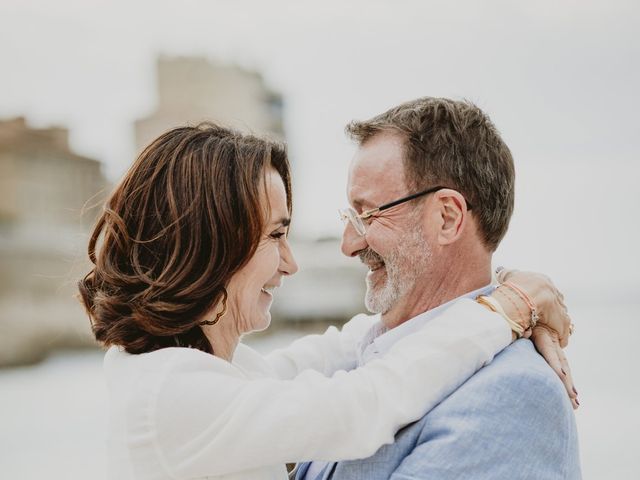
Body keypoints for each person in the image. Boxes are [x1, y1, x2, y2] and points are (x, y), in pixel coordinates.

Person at [78, 123, 572, 480]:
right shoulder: (172, 395)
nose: (293, 263)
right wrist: (505, 307)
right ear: (211, 245)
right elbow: (364, 403)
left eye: (367, 214)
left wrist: (513, 290)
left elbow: (355, 348)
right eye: (276, 235)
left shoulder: (206, 372)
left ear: (448, 218)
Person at [296, 97, 581, 480]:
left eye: (367, 214)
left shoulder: (513, 394)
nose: (348, 244)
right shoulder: (363, 356)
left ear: (447, 218)